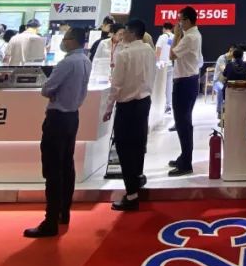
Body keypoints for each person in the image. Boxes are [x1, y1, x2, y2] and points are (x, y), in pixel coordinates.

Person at [25, 26, 93, 237]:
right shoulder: (85, 60)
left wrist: (53, 92)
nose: (63, 41)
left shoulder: (67, 63)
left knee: (53, 169)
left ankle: (51, 220)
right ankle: (64, 211)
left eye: (66, 38)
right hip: (72, 117)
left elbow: (47, 89)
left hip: (57, 118)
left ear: (72, 40)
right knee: (66, 165)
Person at [104, 20, 156, 211]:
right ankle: (137, 178)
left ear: (132, 33)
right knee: (139, 143)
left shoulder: (124, 54)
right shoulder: (149, 51)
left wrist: (108, 107)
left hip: (127, 106)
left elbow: (116, 85)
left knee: (124, 148)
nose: (123, 34)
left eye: (125, 31)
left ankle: (131, 194)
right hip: (144, 102)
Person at [168, 7, 203, 176]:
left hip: (184, 82)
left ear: (187, 20)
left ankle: (186, 163)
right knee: (184, 122)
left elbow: (172, 55)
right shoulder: (194, 34)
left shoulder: (189, 37)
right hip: (189, 81)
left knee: (183, 123)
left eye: (180, 20)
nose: (179, 23)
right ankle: (184, 157)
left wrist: (175, 36)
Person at [155, 23, 175, 114]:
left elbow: (158, 50)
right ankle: (168, 106)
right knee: (169, 86)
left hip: (161, 65)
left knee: (160, 86)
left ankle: (158, 105)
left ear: (164, 28)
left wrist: (157, 62)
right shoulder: (174, 37)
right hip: (170, 64)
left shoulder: (162, 37)